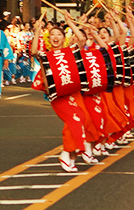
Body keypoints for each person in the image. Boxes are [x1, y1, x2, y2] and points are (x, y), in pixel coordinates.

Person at [30, 14, 92, 171]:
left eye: (59, 34)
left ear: (64, 38)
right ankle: (66, 152)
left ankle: (71, 156)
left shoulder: (69, 52)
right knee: (74, 120)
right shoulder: (45, 56)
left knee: (82, 119)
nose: (55, 37)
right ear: (48, 38)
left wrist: (71, 23)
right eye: (52, 34)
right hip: (58, 95)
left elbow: (81, 40)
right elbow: (34, 50)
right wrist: (37, 30)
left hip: (73, 92)